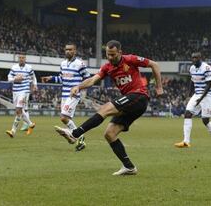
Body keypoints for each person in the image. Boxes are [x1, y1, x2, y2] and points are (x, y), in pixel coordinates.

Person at [54, 40, 163, 176]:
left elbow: (154, 64)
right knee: (109, 134)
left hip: (138, 96)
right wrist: (78, 87)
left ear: (120, 52)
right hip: (130, 104)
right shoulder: (107, 67)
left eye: (113, 55)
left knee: (105, 109)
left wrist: (159, 87)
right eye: (108, 55)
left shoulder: (130, 59)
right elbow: (93, 80)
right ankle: (129, 167)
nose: (110, 58)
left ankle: (74, 134)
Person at [41, 43, 90, 151]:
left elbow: (87, 78)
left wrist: (78, 88)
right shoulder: (63, 64)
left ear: (75, 51)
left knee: (63, 117)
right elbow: (62, 78)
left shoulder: (80, 64)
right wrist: (51, 78)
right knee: (65, 119)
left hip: (73, 95)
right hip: (64, 95)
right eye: (66, 49)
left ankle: (80, 136)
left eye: (70, 49)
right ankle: (74, 138)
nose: (68, 51)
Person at [174, 52, 211, 149]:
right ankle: (186, 141)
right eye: (192, 58)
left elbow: (209, 85)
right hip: (197, 94)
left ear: (200, 58)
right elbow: (192, 82)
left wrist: (201, 99)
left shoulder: (206, 68)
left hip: (208, 95)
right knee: (187, 113)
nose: (193, 59)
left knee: (205, 120)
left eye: (195, 58)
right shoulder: (192, 68)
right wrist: (189, 95)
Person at [6, 53, 37, 137]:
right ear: (18, 58)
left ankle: (13, 131)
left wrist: (35, 85)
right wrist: (15, 79)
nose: (21, 59)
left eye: (23, 57)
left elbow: (33, 77)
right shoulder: (14, 67)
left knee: (19, 109)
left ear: (25, 59)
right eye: (20, 57)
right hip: (15, 91)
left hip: (24, 91)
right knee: (19, 110)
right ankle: (30, 124)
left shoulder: (29, 68)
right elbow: (9, 78)